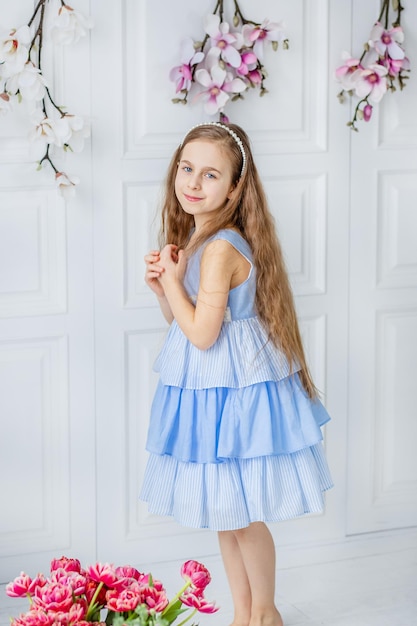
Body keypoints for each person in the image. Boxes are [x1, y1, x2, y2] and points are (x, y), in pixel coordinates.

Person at [140, 122, 333, 626]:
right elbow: (183, 326)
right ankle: (243, 612)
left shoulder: (223, 247)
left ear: (234, 186)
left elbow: (203, 334)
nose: (193, 183)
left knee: (244, 517)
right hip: (217, 392)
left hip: (237, 394)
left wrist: (177, 284)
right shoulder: (200, 235)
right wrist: (167, 290)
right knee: (229, 515)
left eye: (210, 174)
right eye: (187, 168)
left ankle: (266, 615)